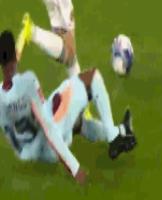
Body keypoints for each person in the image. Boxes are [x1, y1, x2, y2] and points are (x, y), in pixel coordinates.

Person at [0, 30, 137, 184]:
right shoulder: (28, 82)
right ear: (14, 56)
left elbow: (12, 129)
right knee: (92, 78)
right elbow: (48, 127)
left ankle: (123, 130)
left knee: (76, 121)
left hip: (33, 153)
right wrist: (74, 168)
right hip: (51, 139)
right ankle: (114, 138)